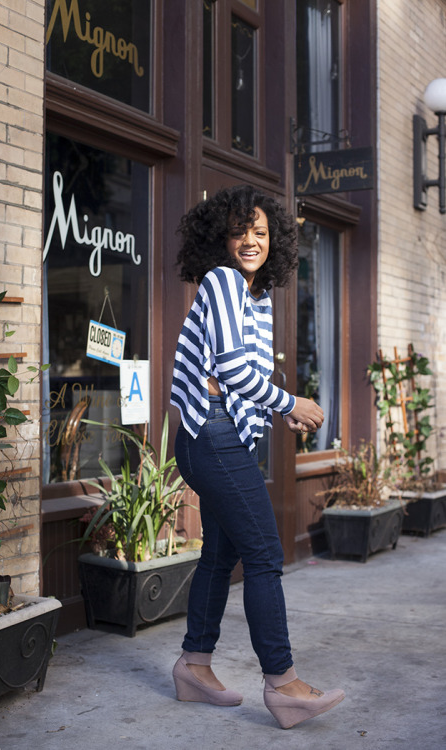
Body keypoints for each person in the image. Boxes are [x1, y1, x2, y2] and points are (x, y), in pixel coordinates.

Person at [169, 185, 344, 730]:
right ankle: (283, 683)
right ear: (221, 238)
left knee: (220, 557)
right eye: (240, 231)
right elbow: (231, 370)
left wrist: (277, 409)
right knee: (266, 554)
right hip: (209, 436)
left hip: (225, 436)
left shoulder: (256, 295)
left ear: (277, 242)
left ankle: (193, 667)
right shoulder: (223, 281)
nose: (250, 241)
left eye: (261, 232)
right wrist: (292, 401)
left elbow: (243, 379)